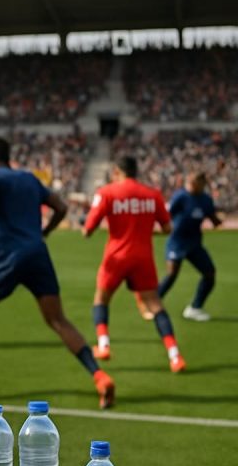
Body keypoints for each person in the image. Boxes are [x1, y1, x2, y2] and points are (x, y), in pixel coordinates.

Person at [0, 137, 114, 409]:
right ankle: (99, 376)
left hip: (10, 256)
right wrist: (45, 232)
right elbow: (61, 207)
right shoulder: (28, 178)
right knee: (58, 320)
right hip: (38, 254)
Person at [83, 156, 186, 372]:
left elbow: (88, 230)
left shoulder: (107, 193)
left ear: (118, 171)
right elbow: (168, 229)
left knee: (101, 298)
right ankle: (175, 356)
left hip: (116, 256)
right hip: (143, 256)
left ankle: (103, 345)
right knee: (155, 304)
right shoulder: (152, 194)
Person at [157, 171, 222, 321]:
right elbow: (167, 215)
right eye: (189, 182)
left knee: (210, 273)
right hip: (177, 241)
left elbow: (213, 218)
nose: (189, 185)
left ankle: (195, 307)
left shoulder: (206, 200)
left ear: (202, 184)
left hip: (194, 244)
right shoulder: (180, 197)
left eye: (193, 183)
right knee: (172, 273)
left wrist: (218, 221)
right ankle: (154, 301)